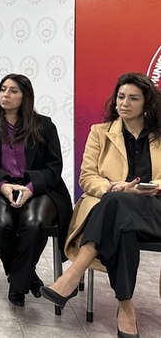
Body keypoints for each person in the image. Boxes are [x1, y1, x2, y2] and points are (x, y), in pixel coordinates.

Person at [41, 73, 161, 338]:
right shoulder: (101, 132)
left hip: (156, 210)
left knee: (116, 206)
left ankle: (72, 275)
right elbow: (88, 176)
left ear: (147, 103)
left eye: (133, 98)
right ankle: (125, 306)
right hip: (119, 213)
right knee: (121, 223)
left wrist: (152, 186)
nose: (124, 103)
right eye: (120, 97)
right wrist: (113, 187)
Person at [0, 73, 72, 307]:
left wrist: (30, 188)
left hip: (38, 187)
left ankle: (17, 284)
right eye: (3, 89)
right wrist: (3, 186)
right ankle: (25, 276)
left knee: (34, 223)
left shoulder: (44, 125)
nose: (6, 94)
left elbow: (54, 166)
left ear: (25, 96)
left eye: (13, 90)